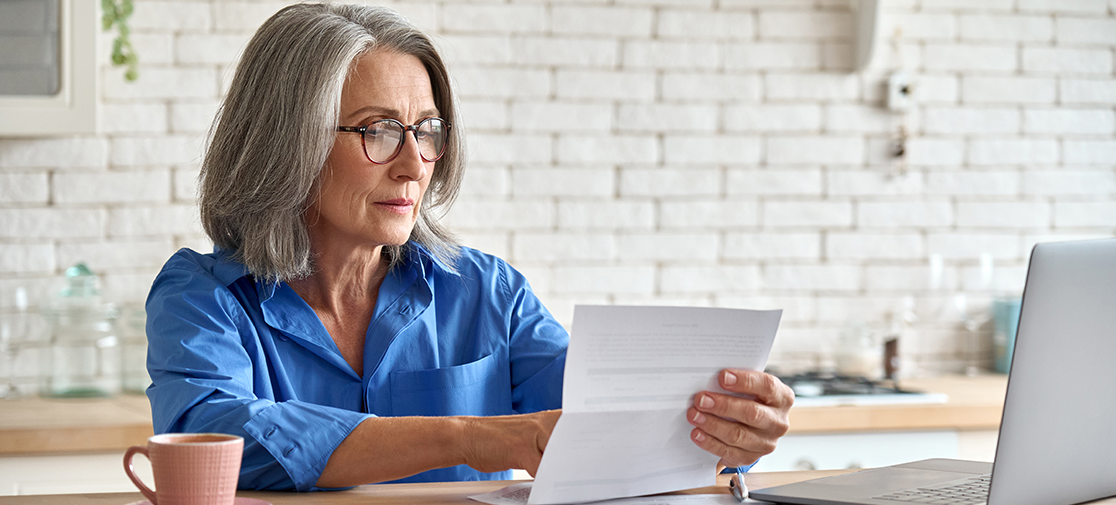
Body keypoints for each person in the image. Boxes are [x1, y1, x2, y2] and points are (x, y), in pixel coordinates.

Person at [144, 2, 794, 492]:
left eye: (427, 130)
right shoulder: (202, 297)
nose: (414, 164)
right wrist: (472, 435)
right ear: (289, 143)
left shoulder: (490, 294)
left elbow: (611, 417)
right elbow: (219, 437)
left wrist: (731, 429)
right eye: (379, 131)